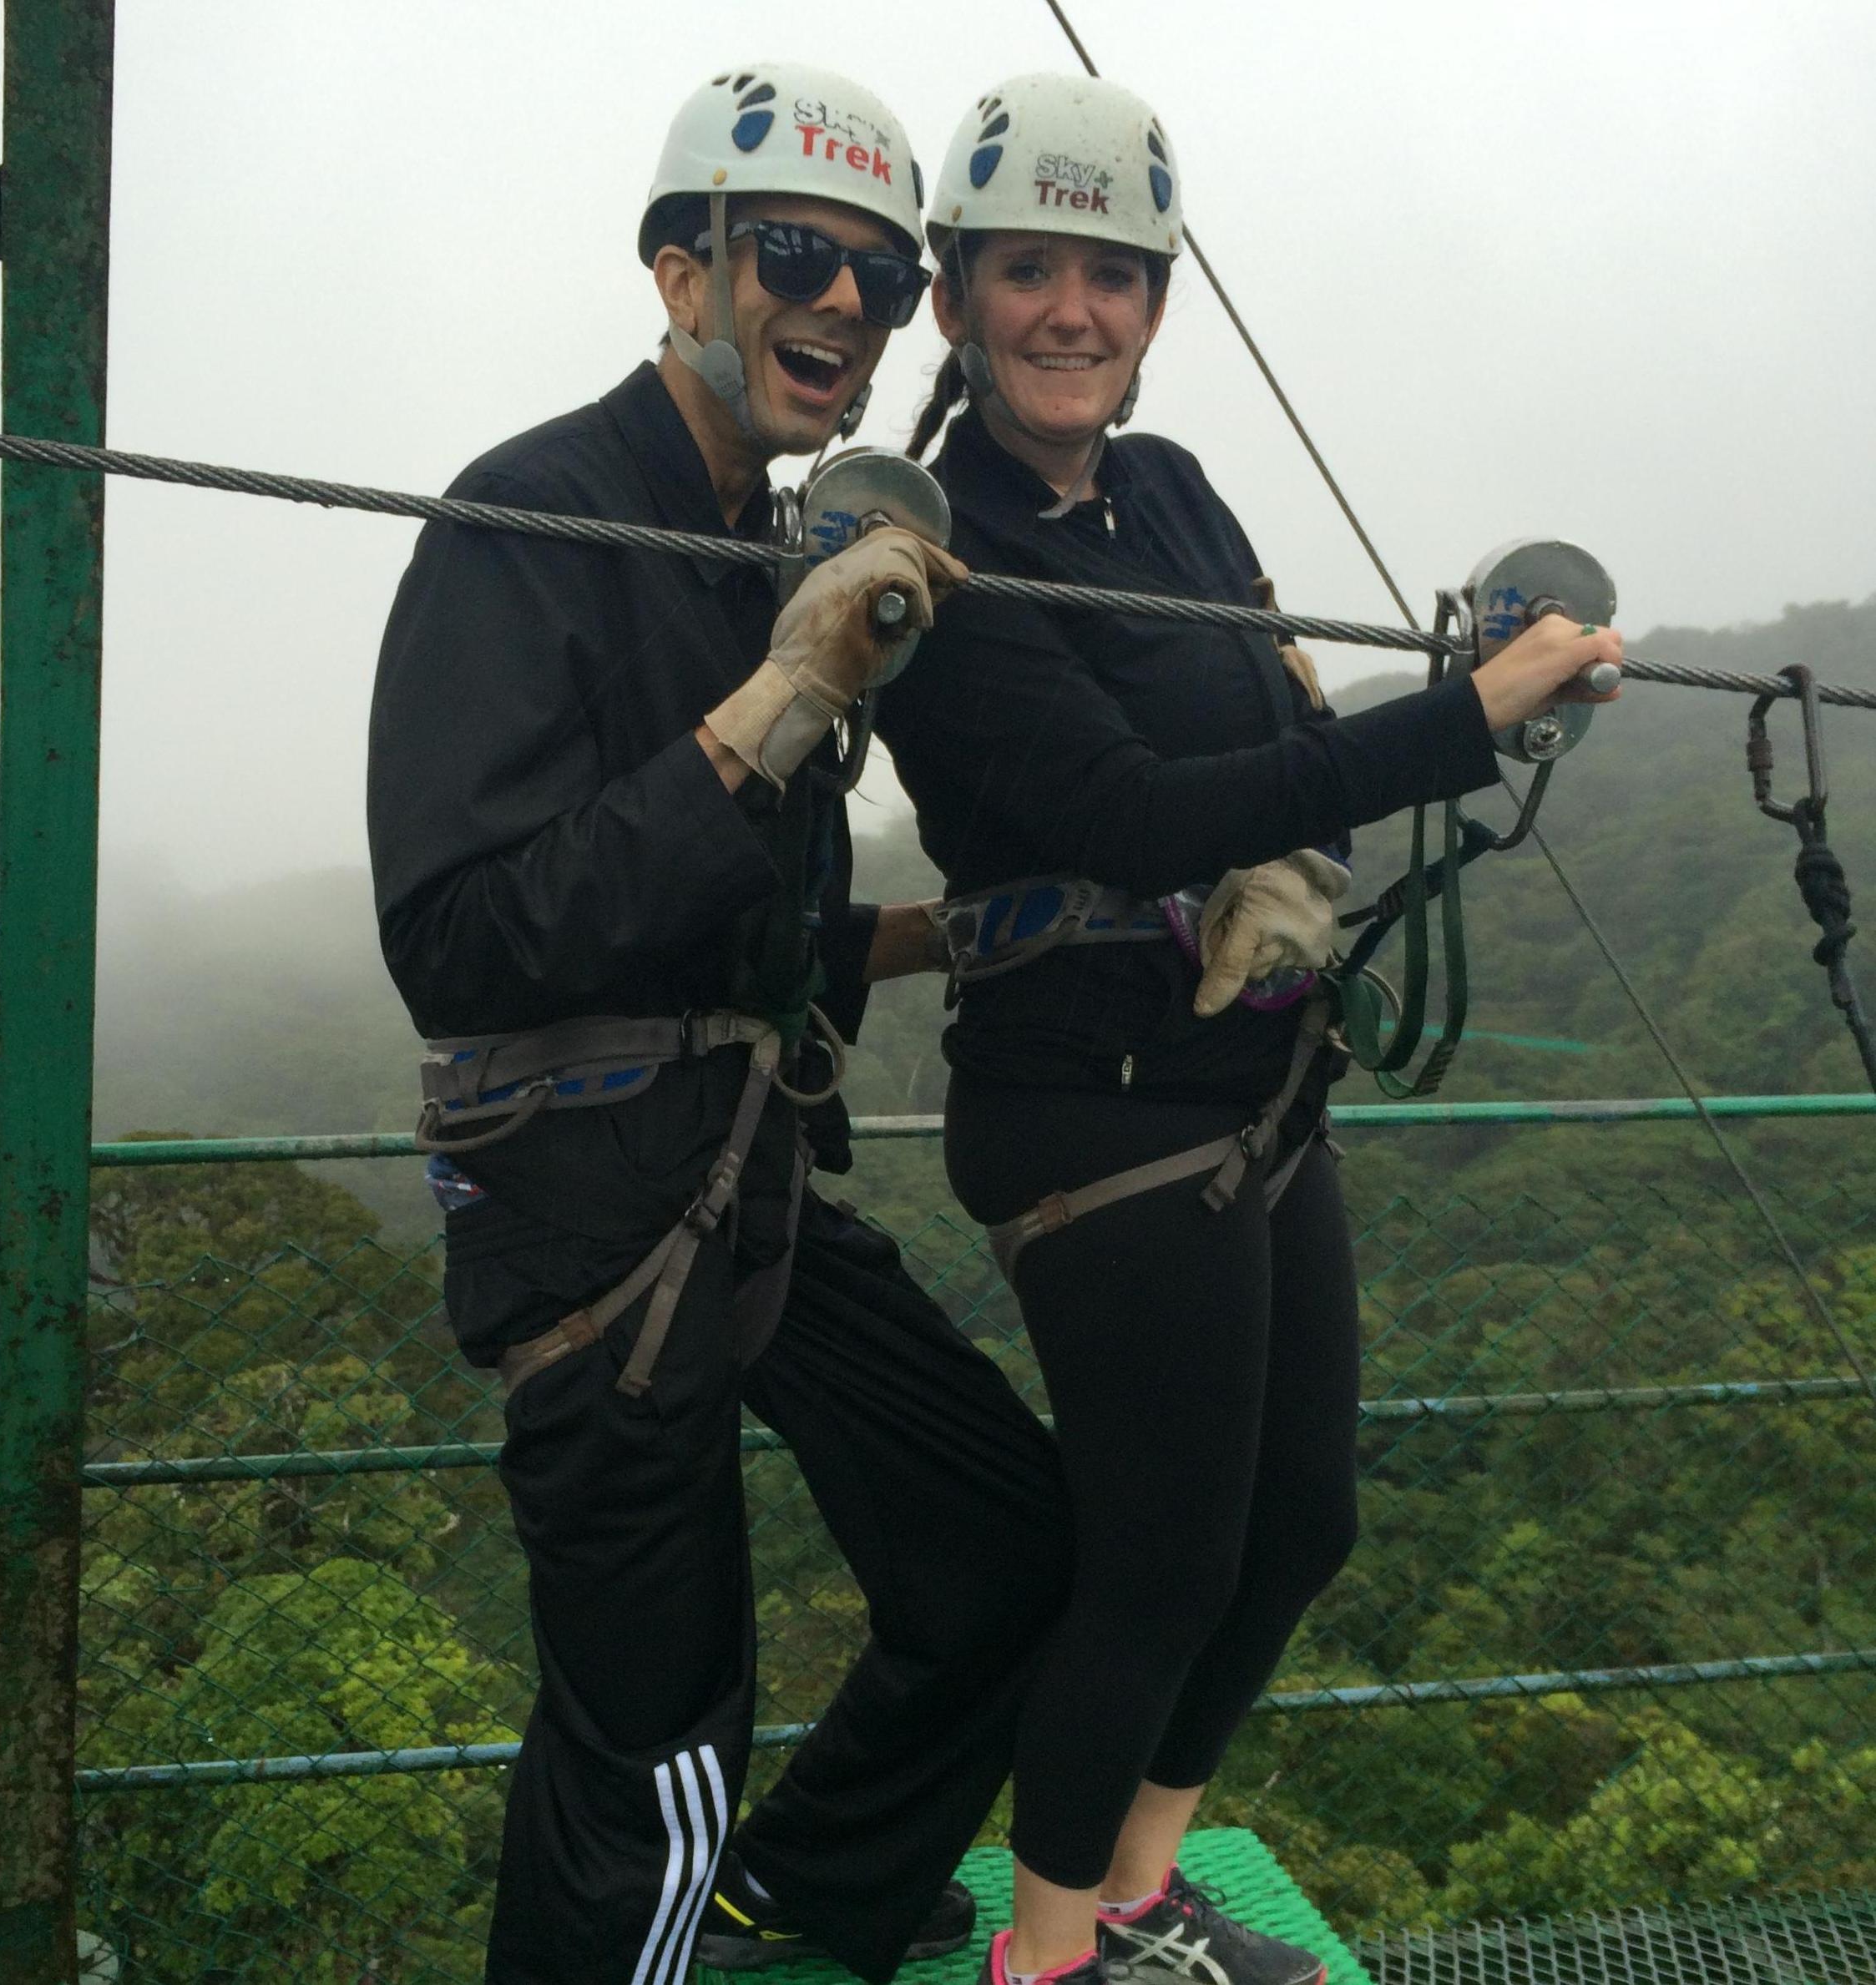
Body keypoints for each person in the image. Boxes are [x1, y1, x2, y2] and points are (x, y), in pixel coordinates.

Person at [877, 73, 1626, 1985]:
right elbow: (1128, 809)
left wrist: (1352, 761)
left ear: (1149, 306)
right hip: (1090, 1102)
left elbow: (1273, 736)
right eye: (1028, 271)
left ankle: (1135, 1890)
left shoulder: (1175, 487)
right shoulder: (933, 551)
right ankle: (1042, 1959)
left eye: (1108, 277)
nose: (1073, 311)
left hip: (1247, 1071)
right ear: (955, 299)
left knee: (1297, 1529)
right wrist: (1458, 717)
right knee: (1160, 1564)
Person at [367, 64, 1071, 1985]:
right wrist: (777, 705)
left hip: (742, 1171)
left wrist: (997, 929)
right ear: (681, 268)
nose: (840, 304)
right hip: (591, 1208)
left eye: (878, 273)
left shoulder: (765, 544)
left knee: (1009, 1545)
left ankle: (820, 1883)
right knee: (657, 1748)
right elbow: (458, 934)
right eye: (793, 258)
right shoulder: (532, 516)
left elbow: (748, 941)